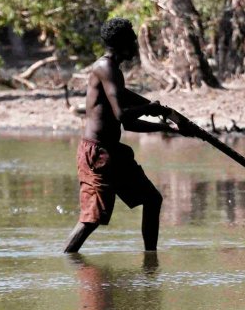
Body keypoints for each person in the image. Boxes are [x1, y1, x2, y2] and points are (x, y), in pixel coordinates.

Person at [64, 17, 184, 253]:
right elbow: (123, 116)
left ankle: (150, 261)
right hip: (96, 153)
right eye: (133, 41)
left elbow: (126, 110)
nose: (136, 46)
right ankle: (68, 258)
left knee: (152, 200)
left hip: (112, 152)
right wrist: (151, 109)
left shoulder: (113, 71)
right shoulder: (105, 68)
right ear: (122, 43)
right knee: (92, 219)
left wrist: (163, 121)